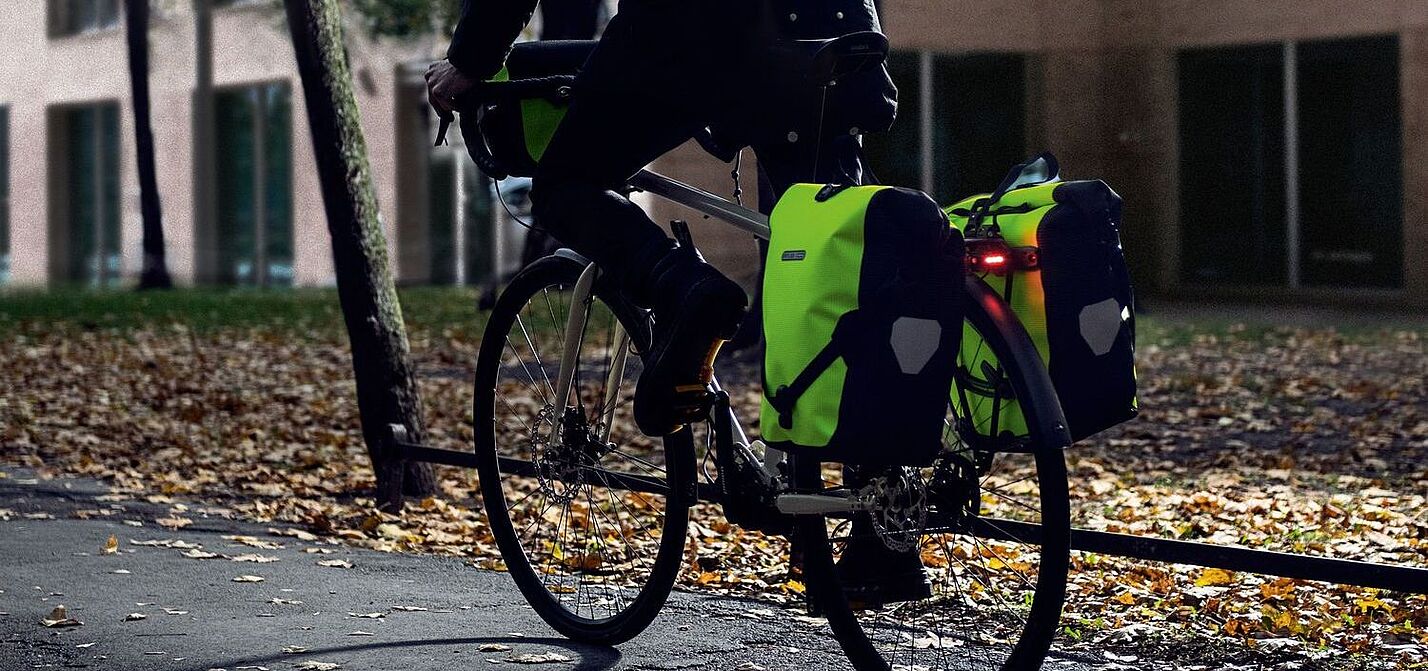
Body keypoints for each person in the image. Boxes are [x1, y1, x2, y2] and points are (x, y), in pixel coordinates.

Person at [428, 0, 926, 605]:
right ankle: (883, 533)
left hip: (702, 35)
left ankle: (686, 288)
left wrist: (469, 60)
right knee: (832, 262)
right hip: (839, 31)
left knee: (565, 184)